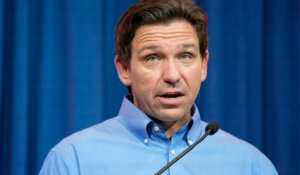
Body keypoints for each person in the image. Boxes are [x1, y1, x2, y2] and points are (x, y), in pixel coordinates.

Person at [39, 0, 278, 174]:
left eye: (185, 56)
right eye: (152, 58)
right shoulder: (72, 160)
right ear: (124, 69)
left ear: (203, 65)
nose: (172, 75)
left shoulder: (251, 165)